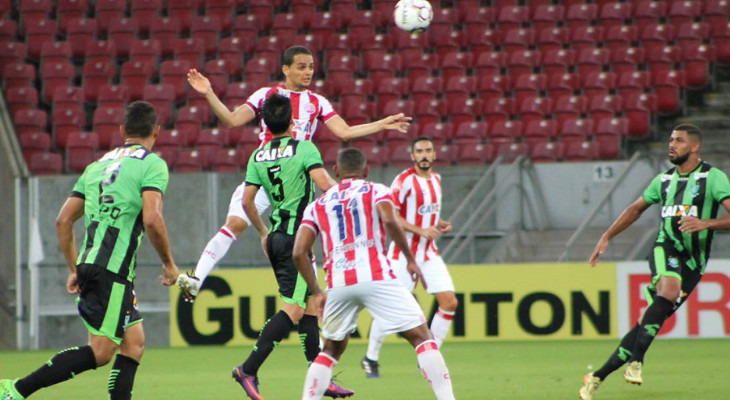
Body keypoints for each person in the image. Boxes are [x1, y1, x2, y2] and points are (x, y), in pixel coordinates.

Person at [180, 45, 410, 299]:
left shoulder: (316, 102)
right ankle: (196, 279)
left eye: (311, 67)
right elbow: (232, 120)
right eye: (301, 67)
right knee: (234, 223)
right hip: (266, 171)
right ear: (285, 69)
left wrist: (382, 124)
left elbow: (344, 131)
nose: (308, 72)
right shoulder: (266, 95)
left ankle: (317, 301)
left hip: (298, 182)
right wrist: (209, 93)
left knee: (303, 244)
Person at [0, 101, 181, 400]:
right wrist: (169, 264)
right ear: (157, 131)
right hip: (113, 270)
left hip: (92, 264)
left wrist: (74, 268)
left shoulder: (96, 166)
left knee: (134, 343)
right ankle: (16, 390)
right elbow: (152, 218)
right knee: (100, 352)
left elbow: (63, 220)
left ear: (122, 130)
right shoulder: (152, 164)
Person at [579, 124, 730, 400]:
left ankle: (596, 377)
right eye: (671, 139)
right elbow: (636, 208)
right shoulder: (663, 180)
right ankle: (636, 362)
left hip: (694, 263)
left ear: (694, 147)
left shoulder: (714, 178)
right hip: (665, 247)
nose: (672, 145)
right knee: (669, 291)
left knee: (647, 324)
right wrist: (607, 235)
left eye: (679, 141)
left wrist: (706, 223)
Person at [293, 147, 457, 400]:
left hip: (338, 283)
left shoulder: (318, 205)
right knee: (423, 337)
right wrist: (410, 260)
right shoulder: (376, 190)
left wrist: (316, 291)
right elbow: (390, 220)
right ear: (366, 170)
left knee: (330, 350)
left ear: (335, 171)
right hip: (376, 275)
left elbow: (298, 252)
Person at [222, 93, 352, 399]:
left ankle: (322, 379)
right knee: (294, 309)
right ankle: (248, 369)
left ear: (266, 124)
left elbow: (247, 201)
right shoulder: (305, 148)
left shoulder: (258, 155)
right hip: (296, 240)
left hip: (280, 235)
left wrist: (263, 232)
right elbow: (322, 182)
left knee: (309, 309)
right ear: (293, 122)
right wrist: (350, 194)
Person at [362, 136, 457, 378]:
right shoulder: (403, 181)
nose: (424, 155)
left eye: (428, 150)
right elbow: (391, 216)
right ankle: (370, 358)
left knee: (449, 302)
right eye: (419, 151)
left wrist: (438, 224)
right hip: (402, 255)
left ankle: (430, 354)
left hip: (429, 253)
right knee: (391, 309)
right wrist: (420, 230)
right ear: (412, 156)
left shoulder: (437, 179)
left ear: (434, 155)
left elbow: (426, 215)